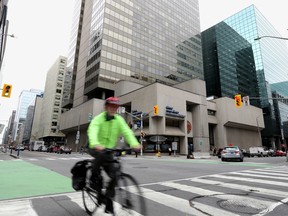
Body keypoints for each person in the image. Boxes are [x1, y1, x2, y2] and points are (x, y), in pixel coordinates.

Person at [87, 96, 141, 214]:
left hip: (109, 150)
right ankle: (93, 178)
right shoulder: (98, 119)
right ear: (106, 107)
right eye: (111, 106)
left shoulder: (119, 120)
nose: (113, 108)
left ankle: (107, 199)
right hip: (95, 147)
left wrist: (134, 144)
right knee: (100, 157)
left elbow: (127, 132)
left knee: (115, 173)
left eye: (115, 106)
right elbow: (93, 130)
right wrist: (96, 144)